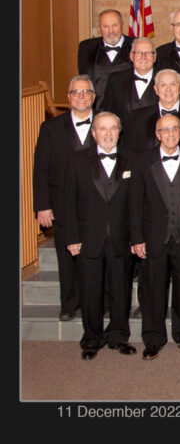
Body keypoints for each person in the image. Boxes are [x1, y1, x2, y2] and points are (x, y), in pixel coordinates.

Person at [64, 112, 136, 359]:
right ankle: (92, 339)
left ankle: (119, 336)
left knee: (121, 290)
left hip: (121, 237)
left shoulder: (132, 159)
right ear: (93, 133)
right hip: (88, 237)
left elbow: (137, 203)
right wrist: (72, 237)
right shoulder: (76, 160)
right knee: (90, 290)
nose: (108, 133)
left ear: (120, 131)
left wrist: (136, 238)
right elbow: (68, 202)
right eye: (102, 128)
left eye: (113, 128)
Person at [128, 114, 180, 360]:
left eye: (174, 129)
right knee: (152, 290)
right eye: (164, 130)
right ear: (157, 134)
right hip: (153, 237)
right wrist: (137, 238)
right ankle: (153, 338)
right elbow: (135, 203)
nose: (170, 134)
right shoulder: (141, 161)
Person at [33, 75, 97, 322]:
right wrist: (43, 206)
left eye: (86, 92)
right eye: (76, 92)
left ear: (93, 97)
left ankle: (97, 303)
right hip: (62, 205)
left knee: (95, 256)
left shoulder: (105, 124)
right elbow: (41, 169)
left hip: (96, 205)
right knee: (67, 257)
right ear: (69, 97)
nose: (81, 96)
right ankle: (69, 304)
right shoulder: (50, 128)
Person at [130, 68, 180, 153]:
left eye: (173, 84)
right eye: (163, 85)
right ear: (156, 90)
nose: (168, 89)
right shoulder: (139, 118)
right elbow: (133, 153)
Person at [77, 8, 134, 110]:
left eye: (114, 25)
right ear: (100, 28)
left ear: (122, 25)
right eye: (106, 26)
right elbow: (84, 81)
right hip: (96, 111)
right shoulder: (86, 48)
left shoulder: (137, 45)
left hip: (129, 112)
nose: (111, 31)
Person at [101, 35, 158, 127]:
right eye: (139, 53)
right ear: (131, 56)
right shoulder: (115, 80)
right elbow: (108, 114)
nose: (143, 57)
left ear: (154, 57)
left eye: (148, 53)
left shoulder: (165, 81)